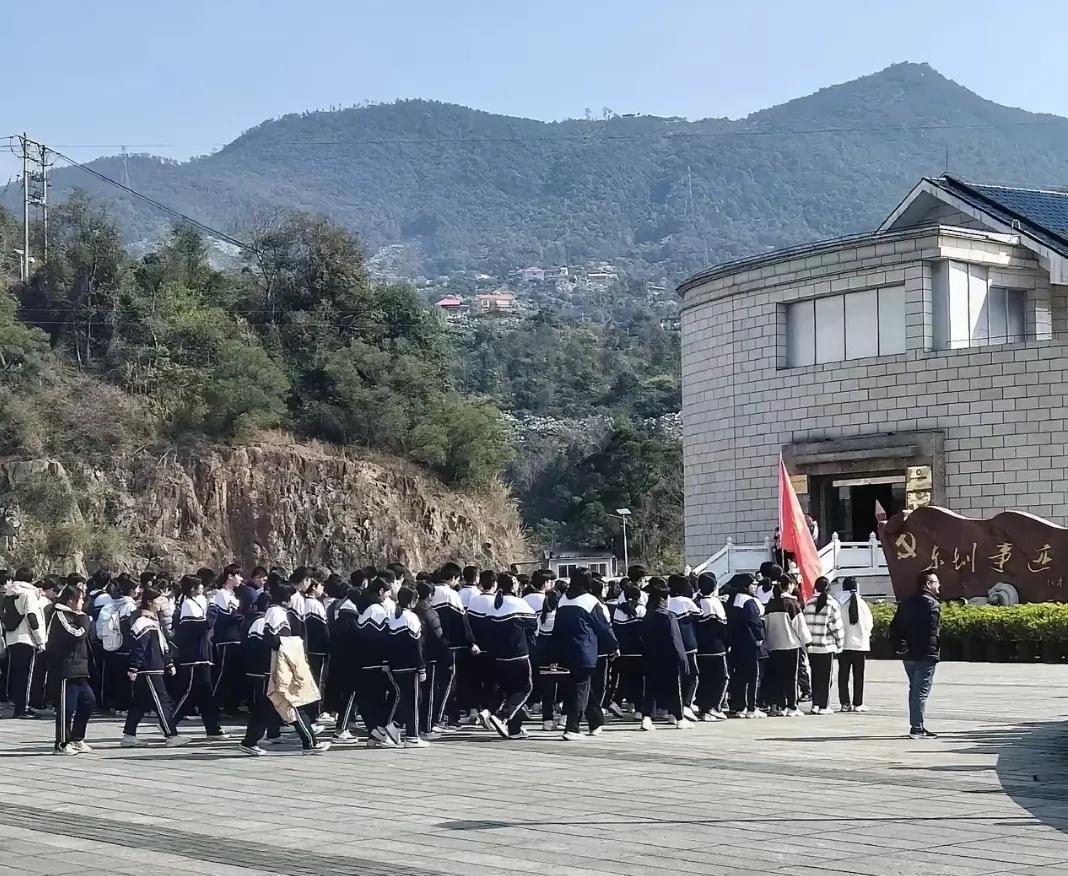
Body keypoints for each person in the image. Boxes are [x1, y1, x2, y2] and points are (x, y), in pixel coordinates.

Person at [240, 580, 329, 755]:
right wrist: (290, 644)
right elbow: (271, 639)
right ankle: (310, 743)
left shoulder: (279, 612)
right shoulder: (275, 612)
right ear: (286, 597)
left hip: (277, 667)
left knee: (267, 707)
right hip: (277, 667)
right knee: (292, 702)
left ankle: (249, 741)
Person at [551, 568, 618, 740]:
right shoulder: (590, 601)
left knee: (581, 688)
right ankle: (572, 728)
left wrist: (553, 656)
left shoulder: (563, 600)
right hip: (584, 651)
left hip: (566, 651)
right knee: (580, 691)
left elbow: (556, 630)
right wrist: (613, 646)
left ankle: (595, 721)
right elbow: (602, 627)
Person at [122, 586, 189, 748]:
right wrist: (133, 668)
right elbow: (139, 648)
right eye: (159, 599)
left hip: (153, 667)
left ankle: (129, 735)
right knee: (162, 701)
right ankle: (171, 734)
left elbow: (162, 645)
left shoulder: (152, 622)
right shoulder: (142, 622)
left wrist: (168, 662)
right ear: (150, 602)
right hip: (149, 669)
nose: (162, 603)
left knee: (139, 702)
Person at [482, 573, 537, 739]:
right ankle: (501, 716)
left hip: (499, 656)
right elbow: (533, 624)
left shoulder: (495, 605)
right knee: (525, 688)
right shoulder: (519, 603)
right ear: (513, 586)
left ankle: (514, 729)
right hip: (518, 654)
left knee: (511, 692)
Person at [171, 575, 226, 738]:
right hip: (194, 655)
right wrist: (213, 608)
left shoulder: (198, 601)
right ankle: (170, 722)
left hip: (203, 653)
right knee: (191, 692)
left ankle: (212, 728)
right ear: (193, 588)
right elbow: (203, 626)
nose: (203, 588)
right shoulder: (188, 604)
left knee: (206, 693)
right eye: (200, 586)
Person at [889, 571, 941, 739]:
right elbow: (933, 632)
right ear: (927, 584)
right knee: (920, 692)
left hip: (908, 655)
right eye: (935, 582)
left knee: (915, 690)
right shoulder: (932, 605)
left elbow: (895, 627)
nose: (938, 585)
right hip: (925, 654)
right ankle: (917, 728)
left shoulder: (906, 603)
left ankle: (917, 725)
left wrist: (901, 646)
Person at [45, 585, 95, 754]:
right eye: (80, 599)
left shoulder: (75, 616)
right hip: (65, 668)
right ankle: (61, 743)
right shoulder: (60, 615)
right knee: (67, 707)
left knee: (88, 701)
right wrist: (85, 622)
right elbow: (77, 634)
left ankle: (77, 738)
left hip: (79, 668)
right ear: (70, 600)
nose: (82, 603)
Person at [639, 579, 691, 730]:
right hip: (668, 659)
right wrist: (683, 660)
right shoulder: (668, 616)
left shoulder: (647, 615)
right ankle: (679, 717)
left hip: (650, 657)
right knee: (674, 689)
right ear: (663, 598)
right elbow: (676, 641)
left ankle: (646, 718)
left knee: (650, 689)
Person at [356, 577, 401, 748]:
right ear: (381, 591)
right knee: (393, 694)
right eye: (388, 592)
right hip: (377, 663)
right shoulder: (378, 611)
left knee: (370, 700)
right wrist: (386, 660)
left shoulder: (366, 610)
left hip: (363, 662)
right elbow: (381, 639)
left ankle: (374, 734)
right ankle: (381, 729)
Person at [2, 567, 47, 719]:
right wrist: (40, 640)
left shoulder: (10, 593)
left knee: (16, 675)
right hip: (26, 638)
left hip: (11, 638)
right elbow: (32, 617)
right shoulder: (28, 593)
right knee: (27, 676)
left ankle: (18, 706)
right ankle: (24, 708)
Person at [762, 577, 810, 717]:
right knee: (791, 677)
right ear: (789, 585)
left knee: (778, 677)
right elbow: (800, 626)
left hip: (774, 645)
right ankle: (792, 706)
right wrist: (807, 642)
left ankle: (780, 705)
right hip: (790, 645)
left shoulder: (770, 604)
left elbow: (765, 625)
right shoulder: (791, 603)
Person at [387, 586, 427, 747]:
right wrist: (421, 667)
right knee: (413, 701)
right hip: (410, 666)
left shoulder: (393, 617)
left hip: (395, 666)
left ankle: (395, 726)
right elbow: (417, 646)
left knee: (410, 698)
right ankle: (412, 736)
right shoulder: (411, 618)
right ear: (412, 601)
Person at [414, 580, 451, 739]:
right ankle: (427, 728)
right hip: (431, 656)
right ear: (430, 595)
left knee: (419, 693)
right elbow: (439, 635)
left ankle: (417, 726)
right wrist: (447, 652)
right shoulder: (430, 612)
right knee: (430, 694)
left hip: (417, 655)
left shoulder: (413, 609)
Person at [725, 574, 765, 718]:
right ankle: (752, 708)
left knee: (739, 676)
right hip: (750, 643)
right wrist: (760, 637)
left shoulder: (732, 600)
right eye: (752, 584)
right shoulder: (748, 601)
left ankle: (739, 706)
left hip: (735, 644)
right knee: (753, 676)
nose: (755, 587)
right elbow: (755, 622)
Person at [208, 564, 244, 715]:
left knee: (234, 675)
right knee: (223, 673)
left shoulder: (233, 595)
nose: (241, 579)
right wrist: (246, 617)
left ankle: (231, 706)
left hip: (236, 638)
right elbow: (230, 615)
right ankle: (213, 704)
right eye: (238, 575)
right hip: (225, 639)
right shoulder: (221, 594)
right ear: (230, 576)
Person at [803, 577, 843, 715]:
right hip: (826, 646)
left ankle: (815, 704)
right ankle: (824, 705)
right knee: (826, 677)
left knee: (815, 675)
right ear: (828, 587)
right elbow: (837, 627)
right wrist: (840, 644)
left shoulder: (808, 603)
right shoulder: (832, 604)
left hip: (812, 647)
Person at [693, 572, 729, 721]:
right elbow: (723, 627)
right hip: (716, 648)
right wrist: (728, 643)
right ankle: (713, 706)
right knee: (722, 677)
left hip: (699, 648)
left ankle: (703, 708)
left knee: (704, 678)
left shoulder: (695, 601)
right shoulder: (714, 603)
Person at [608, 582, 646, 718]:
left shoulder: (619, 610)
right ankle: (639, 710)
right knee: (639, 681)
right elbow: (644, 631)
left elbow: (616, 630)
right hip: (639, 651)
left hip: (624, 650)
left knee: (625, 678)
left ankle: (616, 702)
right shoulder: (641, 610)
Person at [836, 577, 873, 712]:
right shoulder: (862, 603)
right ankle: (858, 703)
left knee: (843, 675)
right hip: (859, 645)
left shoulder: (839, 602)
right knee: (859, 675)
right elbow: (869, 624)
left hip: (843, 645)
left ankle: (844, 703)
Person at [667, 574, 701, 721]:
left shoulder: (666, 602)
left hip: (671, 645)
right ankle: (686, 705)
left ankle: (672, 712)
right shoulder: (686, 602)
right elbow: (700, 615)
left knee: (675, 677)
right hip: (688, 644)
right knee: (692, 675)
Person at [534, 589, 565, 730]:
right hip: (557, 657)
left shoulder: (540, 617)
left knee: (547, 690)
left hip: (541, 656)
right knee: (564, 686)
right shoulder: (559, 618)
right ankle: (564, 716)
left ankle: (547, 720)